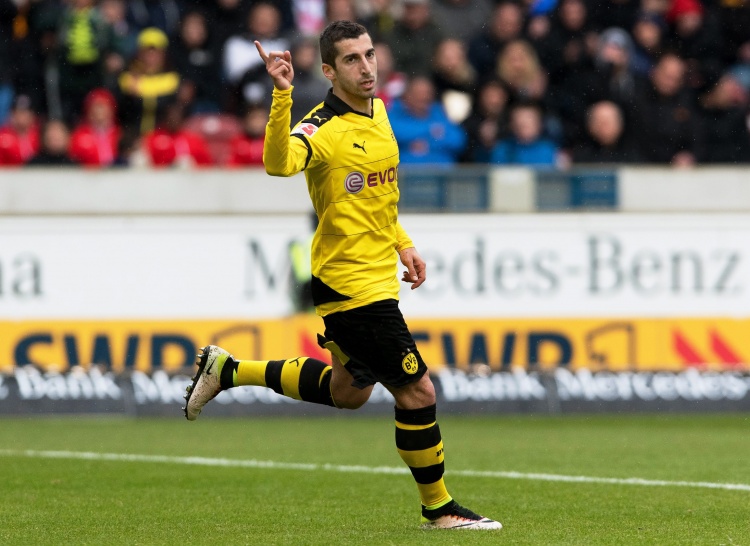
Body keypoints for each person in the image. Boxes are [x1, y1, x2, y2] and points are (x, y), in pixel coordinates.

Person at [183, 20, 501, 532]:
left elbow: (380, 197)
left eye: (369, 54)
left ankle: (227, 370)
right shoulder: (321, 126)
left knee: (348, 392)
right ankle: (440, 508)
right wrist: (282, 96)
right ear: (329, 71)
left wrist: (403, 243)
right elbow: (278, 164)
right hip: (351, 285)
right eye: (352, 59)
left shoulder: (380, 111)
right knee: (418, 392)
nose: (366, 67)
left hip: (377, 277)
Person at [388, 76, 467, 165]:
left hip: (443, 171)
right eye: (418, 93)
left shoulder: (439, 112)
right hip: (406, 171)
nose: (424, 97)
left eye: (427, 93)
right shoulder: (394, 111)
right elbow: (394, 134)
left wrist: (428, 144)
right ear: (407, 95)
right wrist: (432, 131)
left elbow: (458, 141)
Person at [69, 88, 121, 167]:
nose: (98, 111)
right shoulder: (79, 135)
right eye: (95, 106)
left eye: (102, 106)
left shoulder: (120, 134)